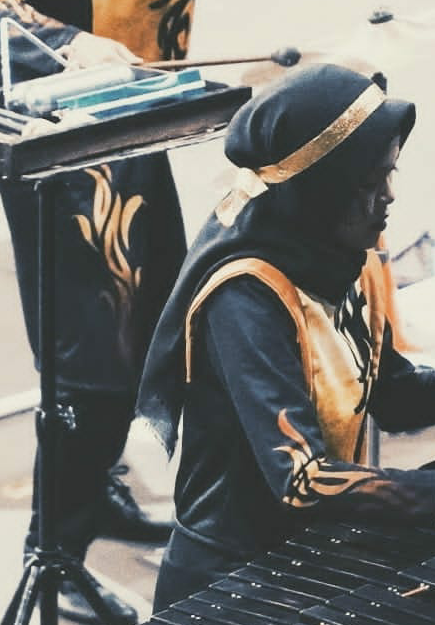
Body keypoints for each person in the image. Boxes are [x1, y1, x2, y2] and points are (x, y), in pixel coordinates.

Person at [133, 63, 435, 610]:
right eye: (369, 182)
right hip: (228, 585)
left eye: (391, 173)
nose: (389, 195)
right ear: (317, 192)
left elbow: (392, 397)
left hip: (310, 557)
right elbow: (302, 480)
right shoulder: (245, 298)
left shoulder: (341, 262)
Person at [0, 1, 193, 622]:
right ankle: (55, 551)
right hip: (59, 109)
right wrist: (62, 42)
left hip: (127, 98)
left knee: (154, 325)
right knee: (96, 353)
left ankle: (95, 493)